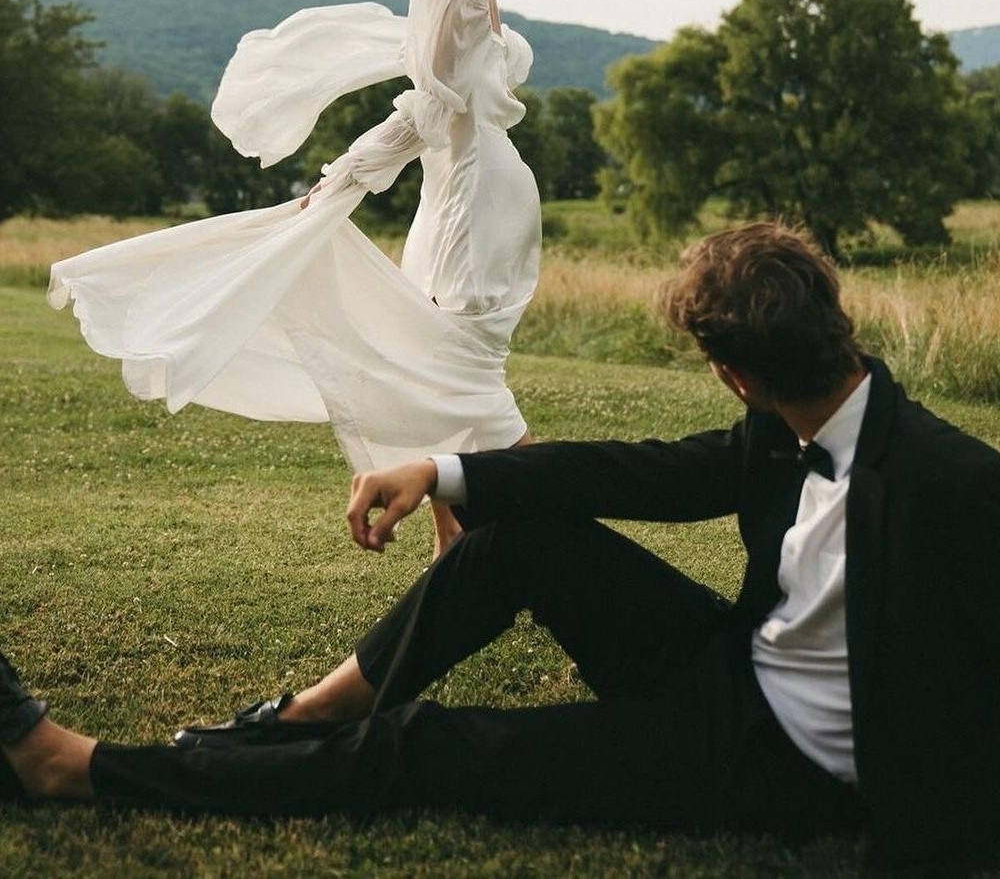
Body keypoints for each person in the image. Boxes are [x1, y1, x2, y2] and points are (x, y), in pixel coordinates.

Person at [9, 222, 1000, 874]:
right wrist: (440, 472)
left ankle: (86, 769)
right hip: (727, 670)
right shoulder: (779, 425)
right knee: (517, 541)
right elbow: (633, 473)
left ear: (733, 375)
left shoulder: (957, 485)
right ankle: (300, 716)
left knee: (431, 748)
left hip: (769, 764)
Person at [48, 0, 540, 555]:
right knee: (429, 351)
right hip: (467, 181)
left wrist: (341, 177)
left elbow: (430, 105)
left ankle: (545, 511)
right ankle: (451, 540)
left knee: (459, 364)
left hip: (471, 191)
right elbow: (494, 72)